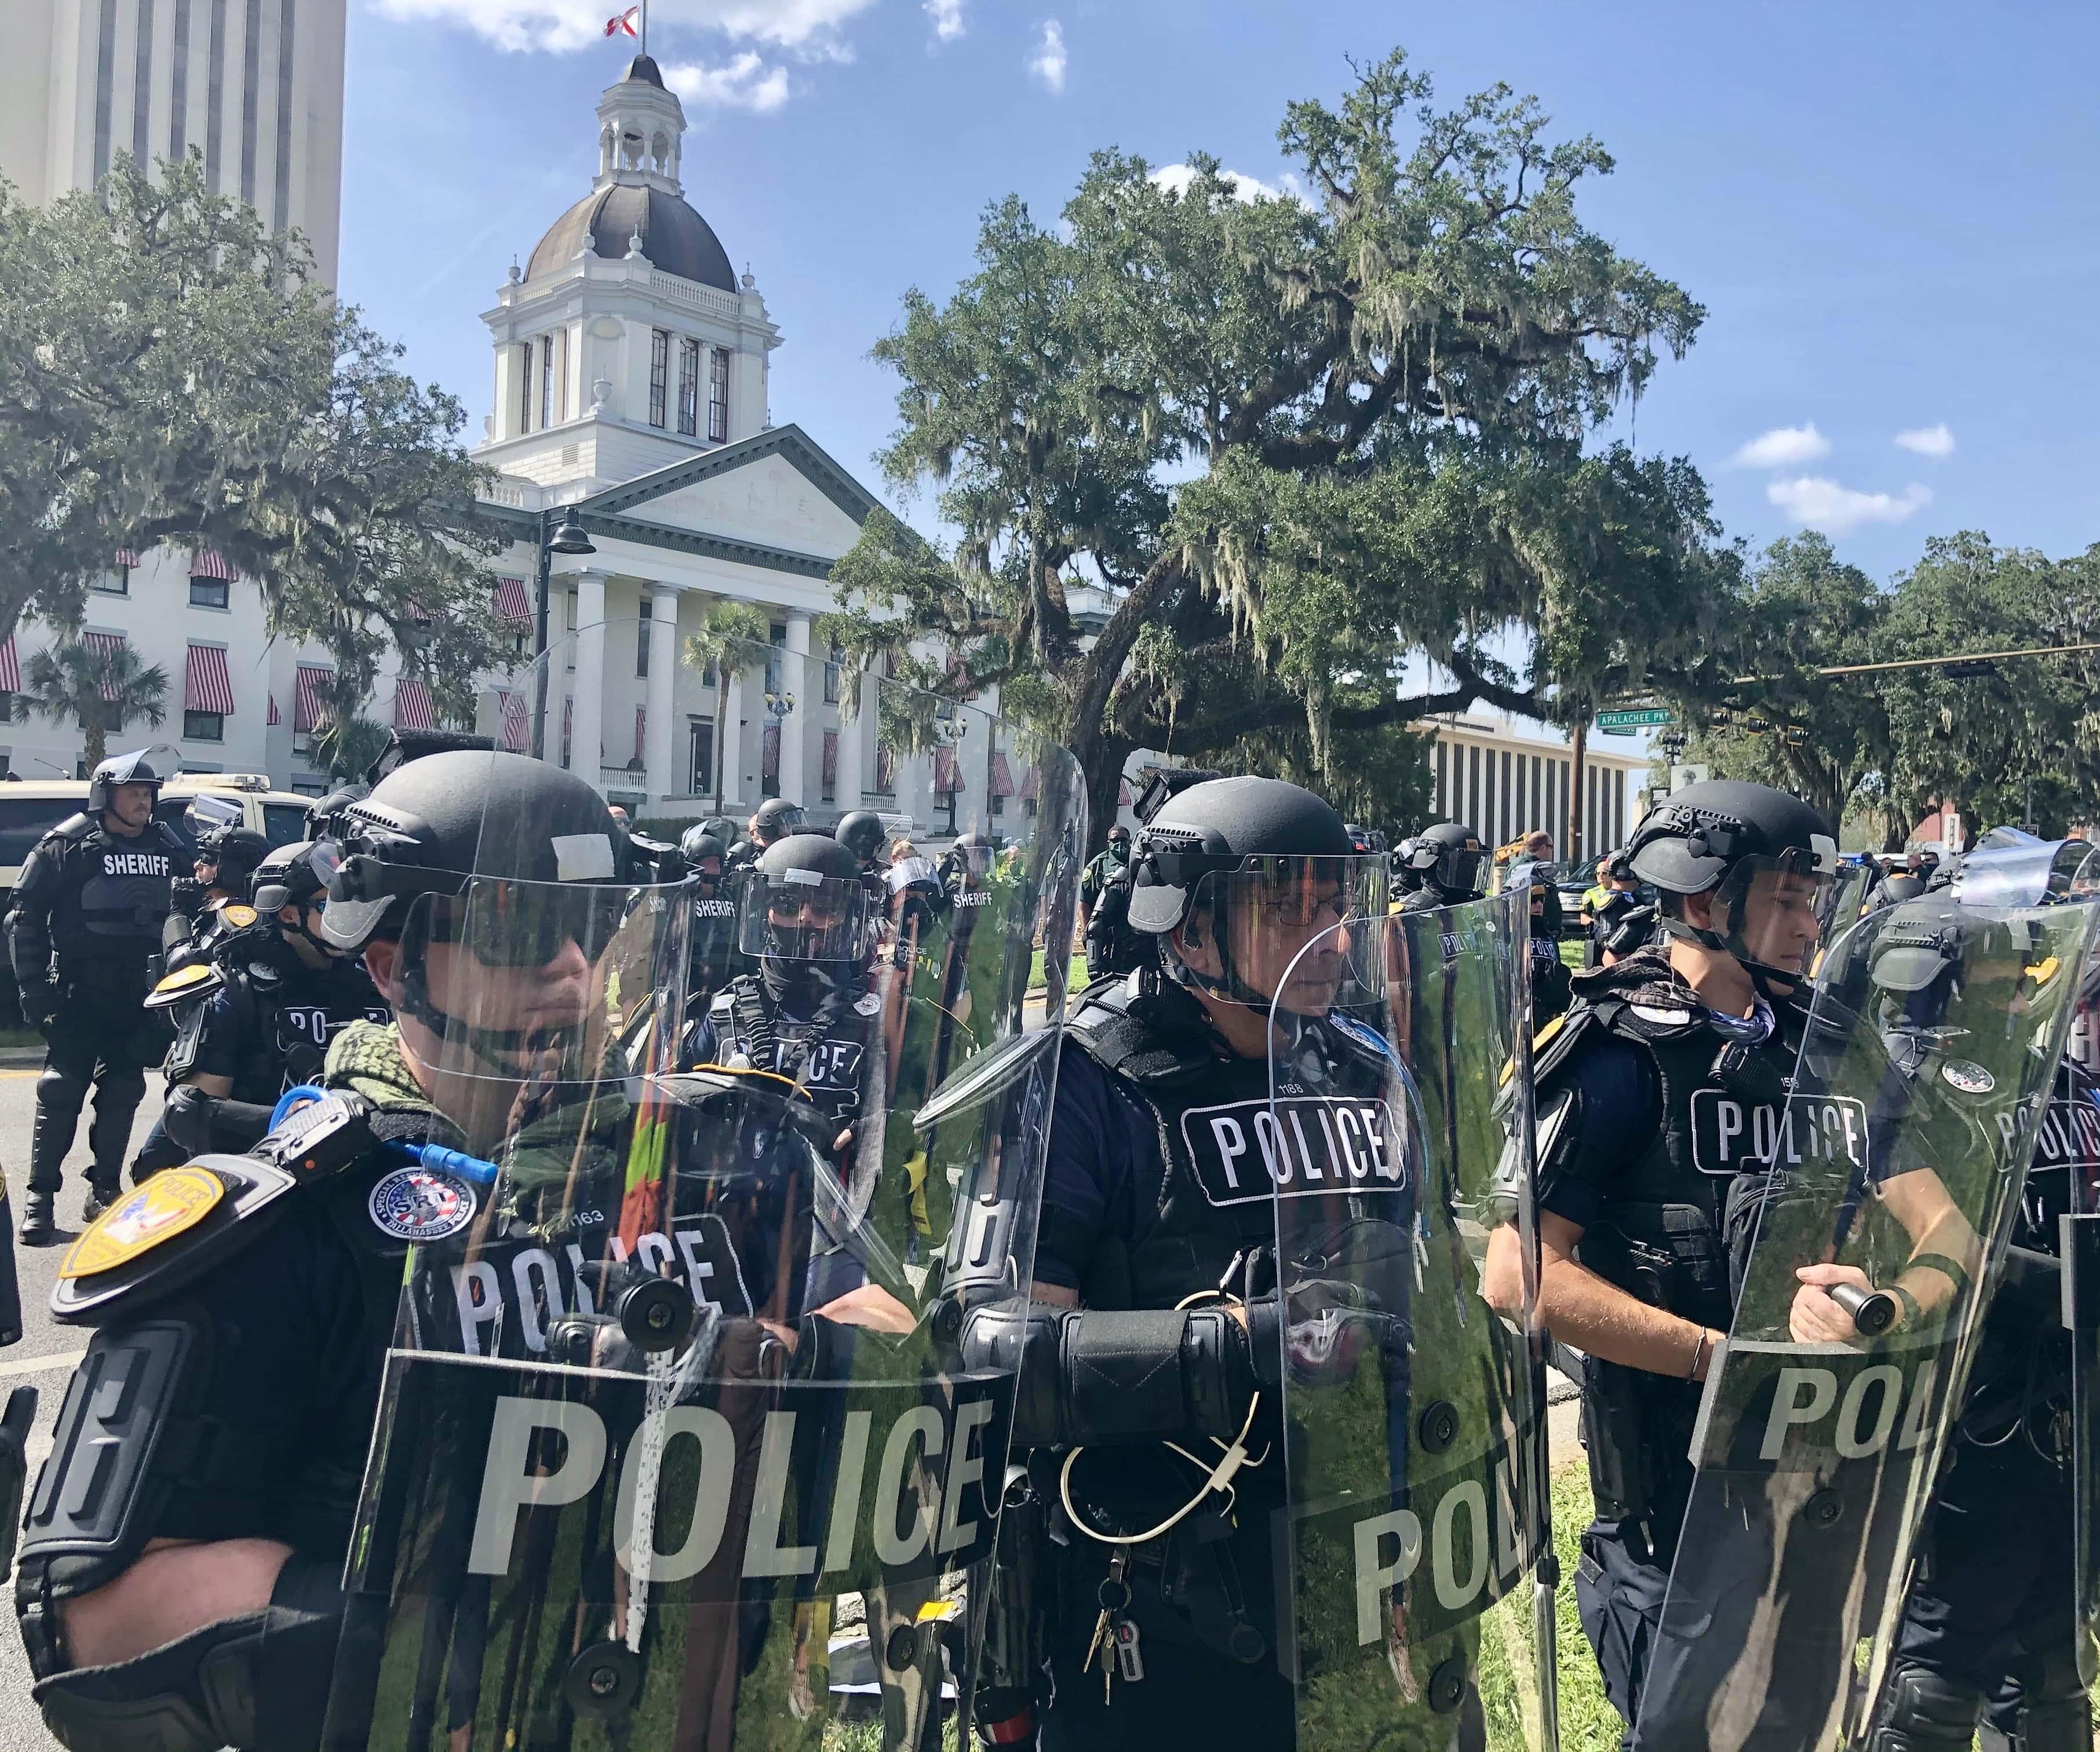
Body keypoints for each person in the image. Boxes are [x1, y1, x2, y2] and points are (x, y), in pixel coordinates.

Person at [13, 751, 676, 1749]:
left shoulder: (676, 1177)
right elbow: (90, 1609)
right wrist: (407, 1650)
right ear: (387, 964)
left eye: (594, 929)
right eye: (518, 927)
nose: (573, 970)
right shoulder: (289, 1220)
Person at [997, 776, 1391, 1751]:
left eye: (1331, 902)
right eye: (1281, 901)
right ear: (1185, 924)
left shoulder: (1362, 1065)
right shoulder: (1084, 1076)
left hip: (1353, 1551)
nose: (1324, 933)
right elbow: (1002, 1348)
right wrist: (1235, 1342)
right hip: (1157, 1570)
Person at [1481, 778, 1838, 1748]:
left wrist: (1877, 1294)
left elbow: (1925, 1220)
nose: (1809, 921)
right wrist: (1710, 1356)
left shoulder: (1817, 1047)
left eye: (1815, 895)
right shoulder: (1614, 1053)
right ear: (1699, 901)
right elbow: (1516, 1274)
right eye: (1786, 894)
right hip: (1671, 1510)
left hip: (1816, 1485)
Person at [1861, 910, 2100, 1752]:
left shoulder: (2061, 1085)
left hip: (2071, 1408)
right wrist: (2057, 1282)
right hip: (1969, 1413)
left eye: (2020, 981)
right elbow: (1943, 1245)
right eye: (1994, 982)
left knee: (2057, 1668)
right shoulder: (1897, 1096)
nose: (2015, 998)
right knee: (1937, 1674)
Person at [129, 841, 391, 1180]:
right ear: (288, 913)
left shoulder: (378, 983)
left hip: (370, 1173)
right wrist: (299, 1121)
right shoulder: (238, 993)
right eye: (328, 904)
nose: (345, 917)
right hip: (265, 1179)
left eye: (351, 903)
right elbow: (192, 1112)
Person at [8, 747, 187, 1238]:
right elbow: (23, 919)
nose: (143, 802)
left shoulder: (168, 847)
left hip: (139, 993)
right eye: (133, 793)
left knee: (126, 1088)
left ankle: (104, 1190)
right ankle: (39, 1197)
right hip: (78, 989)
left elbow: (191, 912)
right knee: (62, 1087)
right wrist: (34, 988)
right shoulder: (66, 845)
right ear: (104, 794)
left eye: (148, 793)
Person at [677, 822, 739, 1003]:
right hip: (691, 985)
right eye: (707, 863)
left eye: (716, 863)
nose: (713, 869)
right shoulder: (682, 899)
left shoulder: (728, 898)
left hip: (726, 984)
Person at [1394, 820, 1488, 911]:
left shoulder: (1479, 906)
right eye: (1463, 865)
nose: (1470, 872)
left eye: (1473, 863)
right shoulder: (1411, 912)